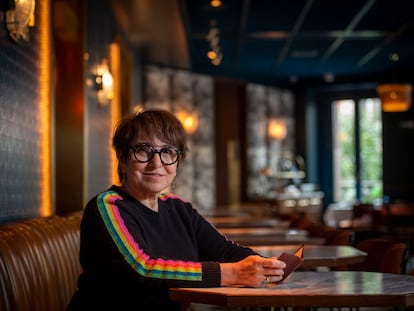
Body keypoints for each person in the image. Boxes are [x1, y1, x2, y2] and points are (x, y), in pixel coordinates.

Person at [66, 109, 286, 310]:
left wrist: (263, 265)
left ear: (177, 162)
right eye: (143, 151)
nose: (156, 163)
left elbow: (224, 250)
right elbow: (142, 271)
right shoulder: (108, 206)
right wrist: (235, 273)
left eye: (168, 152)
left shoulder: (178, 208)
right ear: (123, 160)